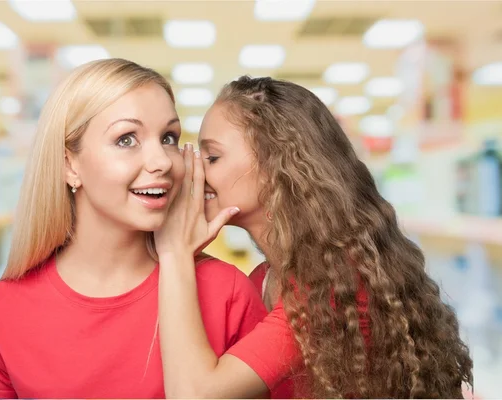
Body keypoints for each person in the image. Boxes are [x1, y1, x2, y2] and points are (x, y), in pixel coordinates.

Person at [0, 60, 268, 399]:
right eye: (126, 139)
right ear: (69, 163)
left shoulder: (226, 293)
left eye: (168, 137)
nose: (161, 161)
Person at [154, 76, 474, 399]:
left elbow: (194, 394)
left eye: (212, 157)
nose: (193, 171)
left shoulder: (331, 287)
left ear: (275, 167)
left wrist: (174, 252)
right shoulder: (264, 279)